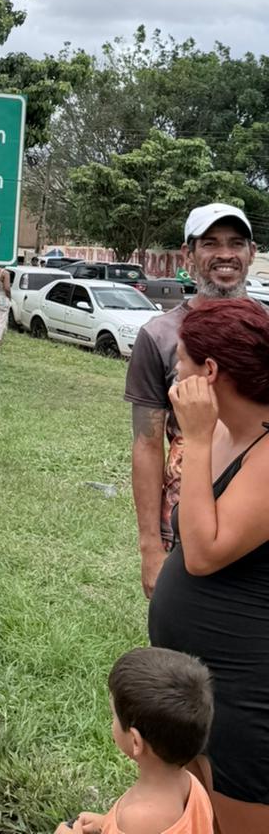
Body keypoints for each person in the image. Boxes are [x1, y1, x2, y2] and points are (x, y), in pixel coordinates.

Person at [147, 298, 269, 829]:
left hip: (244, 693)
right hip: (197, 685)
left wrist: (194, 437)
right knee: (199, 820)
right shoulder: (224, 433)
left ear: (210, 372)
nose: (174, 374)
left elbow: (202, 554)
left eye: (181, 364)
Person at [126, 202, 255, 599]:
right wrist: (150, 545)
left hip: (255, 513)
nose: (225, 254)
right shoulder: (160, 336)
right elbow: (147, 444)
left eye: (236, 243)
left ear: (251, 252)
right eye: (210, 243)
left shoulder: (264, 332)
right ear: (188, 254)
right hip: (185, 517)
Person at [55, 646, 213, 834]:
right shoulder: (191, 785)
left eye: (113, 715)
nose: (111, 720)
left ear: (135, 741)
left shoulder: (138, 819)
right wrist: (107, 823)